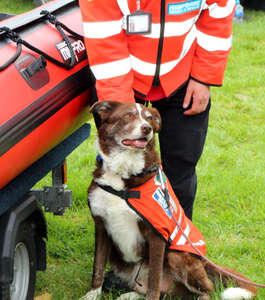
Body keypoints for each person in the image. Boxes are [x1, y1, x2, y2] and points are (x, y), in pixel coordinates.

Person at [79, 0, 235, 220]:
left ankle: (176, 241)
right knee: (121, 164)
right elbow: (106, 47)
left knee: (182, 164)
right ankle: (124, 240)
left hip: (182, 75)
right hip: (122, 76)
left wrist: (203, 77)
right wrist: (125, 116)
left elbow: (219, 13)